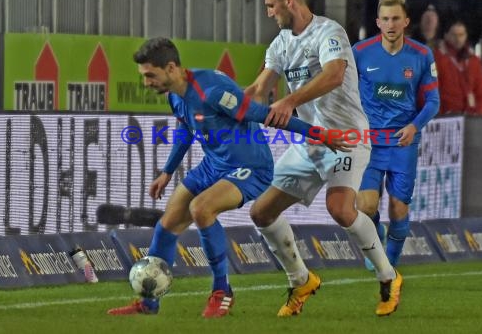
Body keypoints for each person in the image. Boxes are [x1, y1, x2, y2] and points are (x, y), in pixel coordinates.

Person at [107, 37, 350, 318]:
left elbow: (264, 114)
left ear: (171, 67)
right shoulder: (175, 94)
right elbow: (186, 129)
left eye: (150, 75)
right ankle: (149, 302)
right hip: (214, 164)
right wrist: (167, 171)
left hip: (250, 166)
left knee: (201, 208)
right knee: (167, 224)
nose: (146, 82)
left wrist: (322, 135)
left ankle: (222, 291)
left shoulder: (211, 90)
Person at [245, 0, 403, 318]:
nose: (269, 13)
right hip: (312, 141)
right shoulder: (280, 44)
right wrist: (224, 104)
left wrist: (290, 101)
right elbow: (259, 88)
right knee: (261, 212)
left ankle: (388, 276)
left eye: (271, 6)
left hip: (347, 137)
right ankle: (300, 280)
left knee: (341, 210)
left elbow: (333, 75)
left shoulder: (329, 32)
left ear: (289, 1)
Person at [352, 0, 440, 270]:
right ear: (378, 23)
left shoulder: (422, 55)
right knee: (365, 206)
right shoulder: (359, 52)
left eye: (396, 19)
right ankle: (376, 240)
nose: (391, 24)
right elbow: (344, 93)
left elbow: (434, 102)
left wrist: (414, 126)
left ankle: (390, 262)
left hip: (403, 142)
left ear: (406, 21)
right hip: (369, 142)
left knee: (399, 208)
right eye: (386, 19)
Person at [434, 19, 482, 115]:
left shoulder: (474, 61)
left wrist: (479, 116)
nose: (458, 39)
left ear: (466, 36)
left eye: (461, 35)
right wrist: (439, 117)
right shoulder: (436, 59)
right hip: (445, 119)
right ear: (446, 36)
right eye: (454, 35)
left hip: (471, 118)